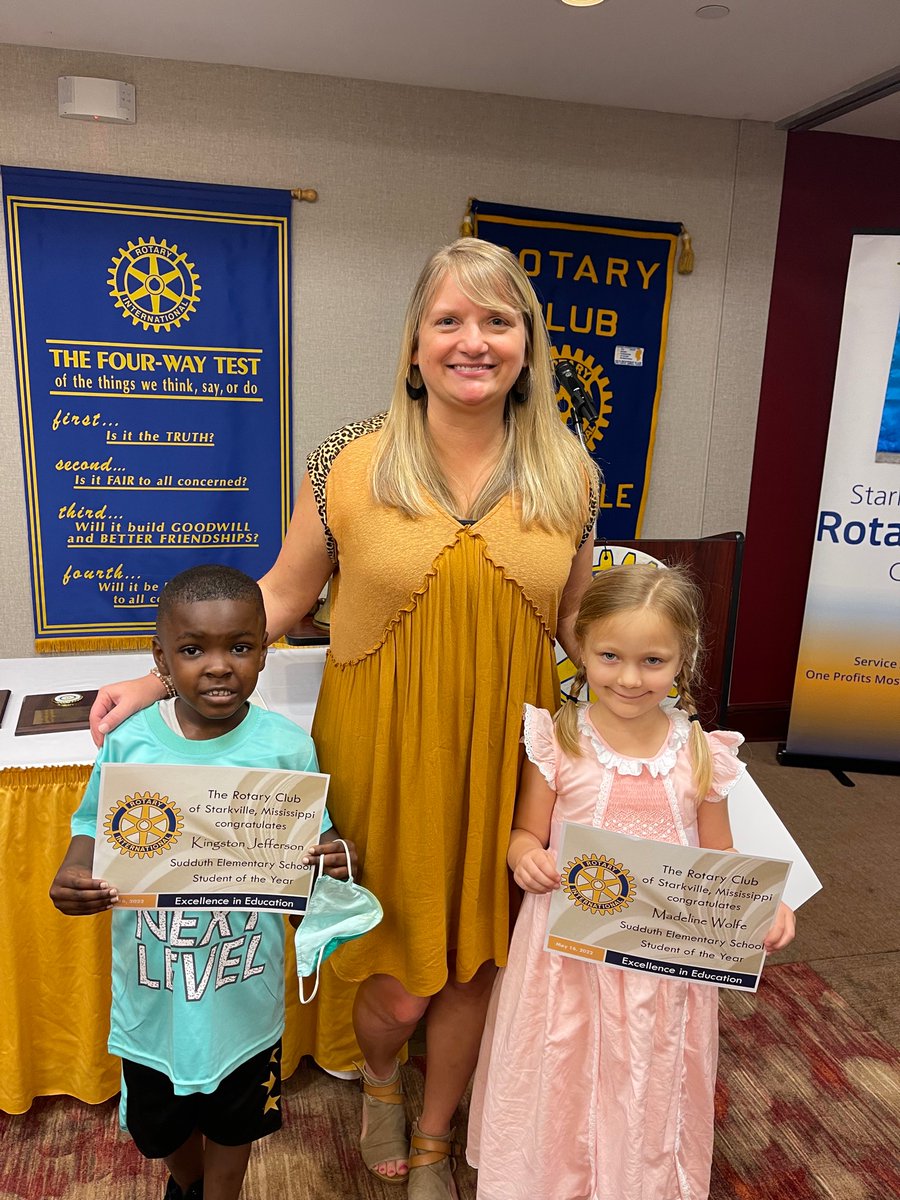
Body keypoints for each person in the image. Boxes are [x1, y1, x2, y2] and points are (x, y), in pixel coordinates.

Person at [88, 238, 599, 1199]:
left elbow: (576, 621)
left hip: (506, 758)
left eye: (497, 320)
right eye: (448, 320)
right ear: (414, 343)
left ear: (527, 343)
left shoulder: (572, 471)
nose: (473, 342)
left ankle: (437, 1138)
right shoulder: (349, 463)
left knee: (477, 963)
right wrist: (153, 682)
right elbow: (279, 599)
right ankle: (378, 1080)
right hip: (383, 751)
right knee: (399, 981)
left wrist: (657, 697)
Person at [466, 563, 796, 1200]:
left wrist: (765, 908)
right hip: (566, 956)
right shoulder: (559, 739)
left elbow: (721, 860)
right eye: (610, 656)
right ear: (581, 647)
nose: (628, 677)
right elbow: (524, 834)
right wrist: (524, 857)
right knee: (560, 1062)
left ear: (683, 660)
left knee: (647, 1068)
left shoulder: (701, 750)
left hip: (661, 965)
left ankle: (637, 1179)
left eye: (652, 660)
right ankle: (546, 1178)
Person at [52, 564, 356, 1200]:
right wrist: (75, 870)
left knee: (236, 1121)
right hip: (152, 1000)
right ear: (161, 658)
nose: (219, 666)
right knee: (159, 1133)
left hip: (243, 998)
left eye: (240, 647)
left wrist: (332, 860)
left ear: (264, 653)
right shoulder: (131, 743)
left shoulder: (285, 747)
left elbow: (314, 854)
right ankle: (187, 1186)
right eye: (193, 650)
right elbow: (91, 826)